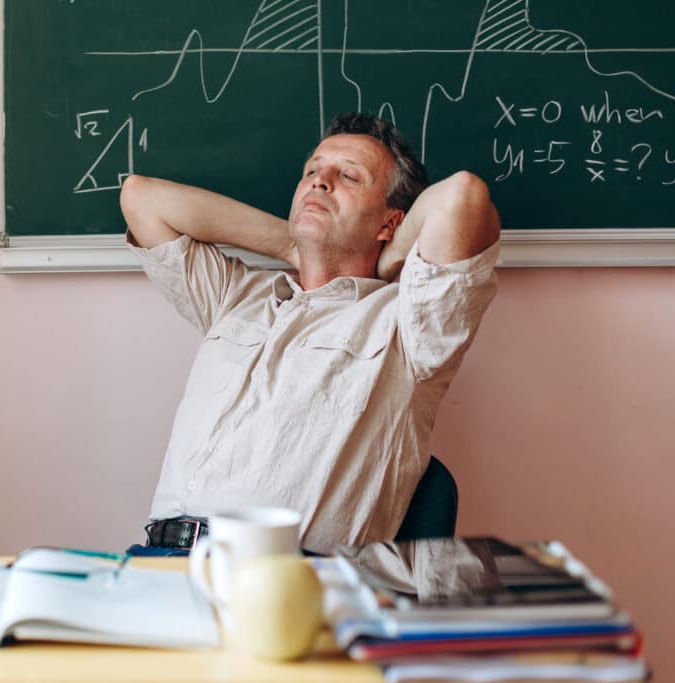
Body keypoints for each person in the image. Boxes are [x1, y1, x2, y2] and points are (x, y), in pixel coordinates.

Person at [120, 112, 500, 556]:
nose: (320, 182)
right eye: (313, 172)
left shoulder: (408, 324)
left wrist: (391, 254)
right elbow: (140, 198)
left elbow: (464, 198)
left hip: (286, 579)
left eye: (349, 177)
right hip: (157, 563)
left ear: (390, 222)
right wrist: (290, 243)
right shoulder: (234, 295)